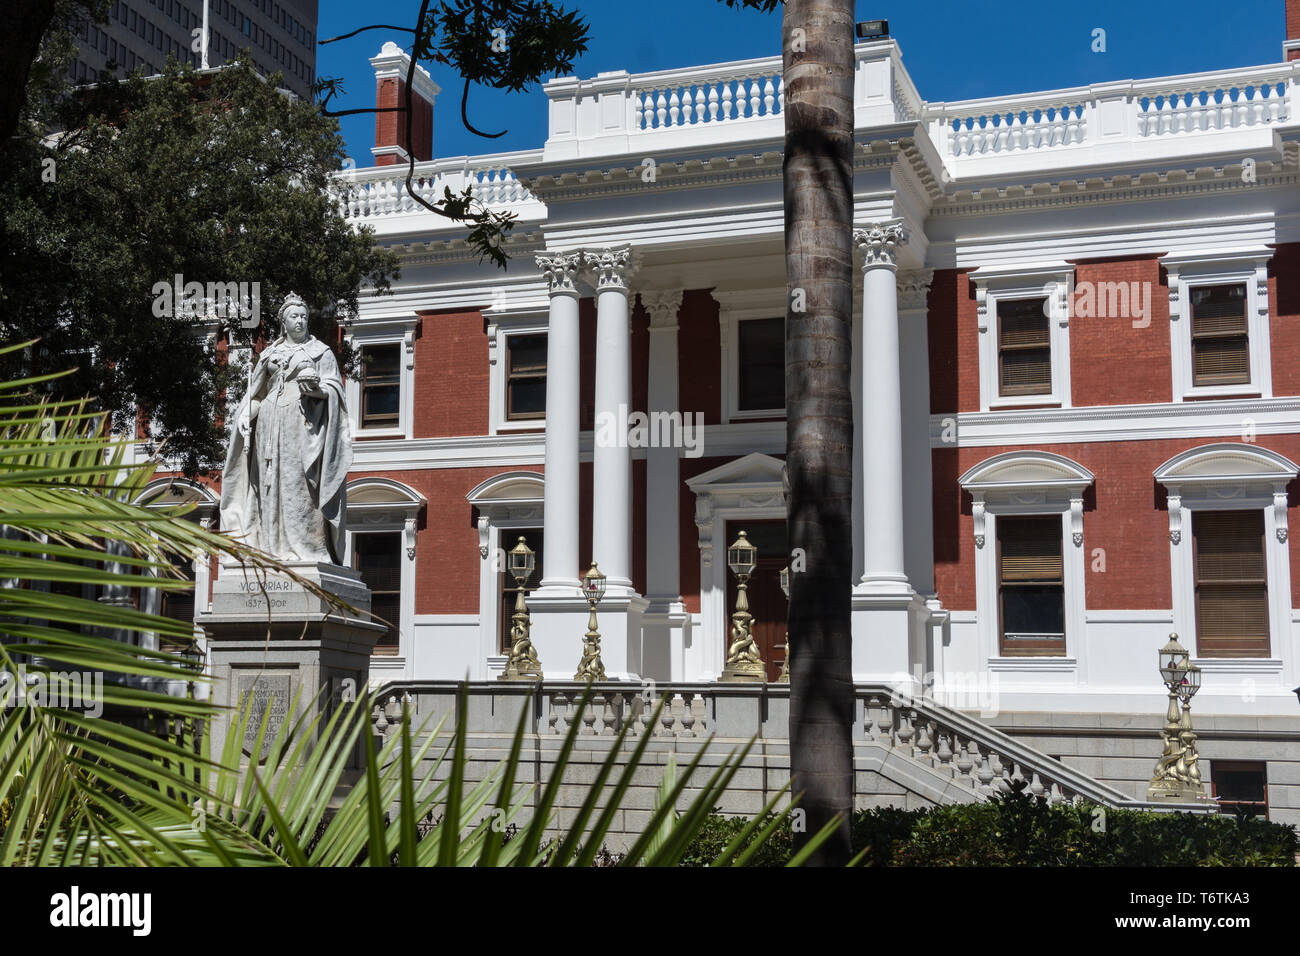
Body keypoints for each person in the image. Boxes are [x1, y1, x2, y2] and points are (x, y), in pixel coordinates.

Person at [220, 292, 352, 563]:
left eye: (304, 316)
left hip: (303, 426)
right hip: (268, 427)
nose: (301, 321)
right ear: (284, 322)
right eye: (295, 316)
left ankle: (306, 548)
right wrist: (245, 415)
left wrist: (316, 388)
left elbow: (335, 388)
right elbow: (256, 395)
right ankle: (270, 548)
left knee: (299, 486)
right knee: (268, 486)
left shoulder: (320, 352)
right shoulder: (269, 354)